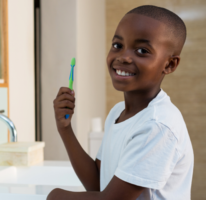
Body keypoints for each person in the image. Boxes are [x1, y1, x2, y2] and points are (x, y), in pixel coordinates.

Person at [48, 5, 194, 200]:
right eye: (117, 45)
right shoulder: (118, 113)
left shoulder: (158, 125)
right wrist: (64, 129)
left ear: (169, 64)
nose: (123, 57)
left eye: (142, 50)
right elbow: (98, 183)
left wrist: (55, 196)